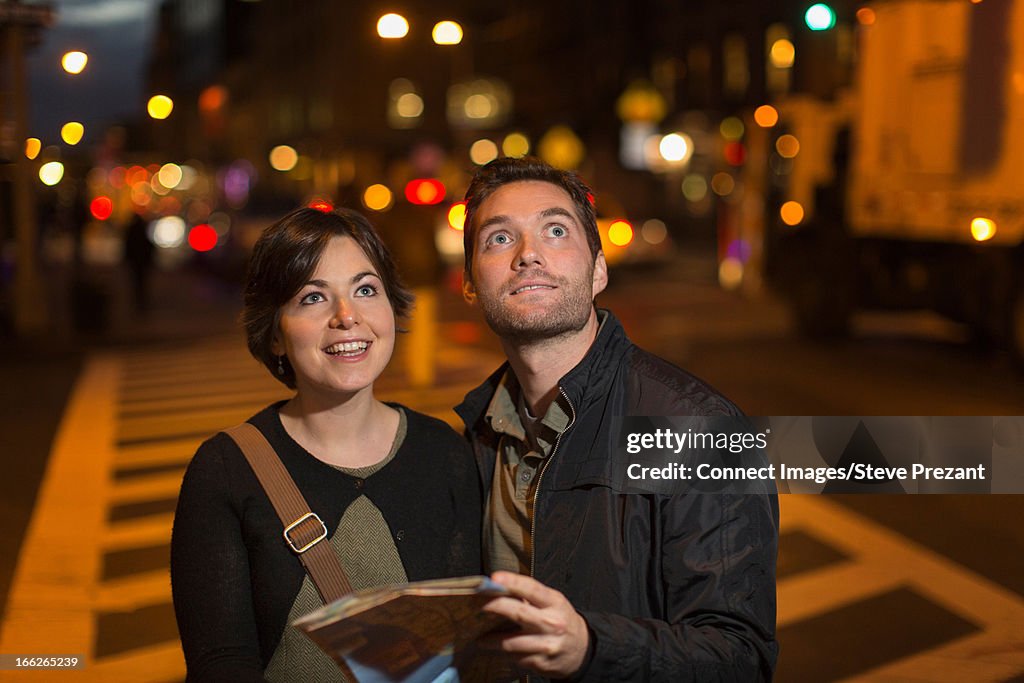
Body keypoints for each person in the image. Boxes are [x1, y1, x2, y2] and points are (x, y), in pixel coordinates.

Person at [455, 157, 779, 681]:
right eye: (498, 239)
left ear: (599, 270)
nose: (528, 255)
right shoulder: (475, 434)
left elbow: (739, 658)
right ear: (470, 283)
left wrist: (590, 648)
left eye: (555, 231)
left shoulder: (698, 432)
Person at [171, 206, 482, 682]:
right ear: (275, 333)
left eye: (365, 289)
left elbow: (467, 651)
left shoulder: (445, 453)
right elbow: (221, 663)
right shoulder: (226, 471)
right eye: (313, 297)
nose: (347, 316)